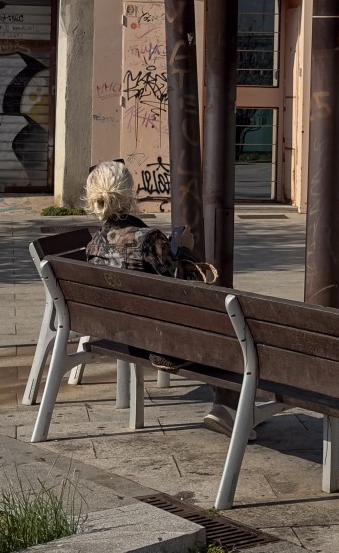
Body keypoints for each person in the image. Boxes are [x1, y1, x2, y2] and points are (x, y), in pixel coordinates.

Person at [83, 159, 259, 440]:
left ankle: (237, 407)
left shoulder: (93, 246)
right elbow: (188, 288)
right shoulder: (148, 239)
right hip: (160, 342)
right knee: (230, 329)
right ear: (130, 193)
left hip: (122, 335)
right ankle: (227, 406)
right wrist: (184, 254)